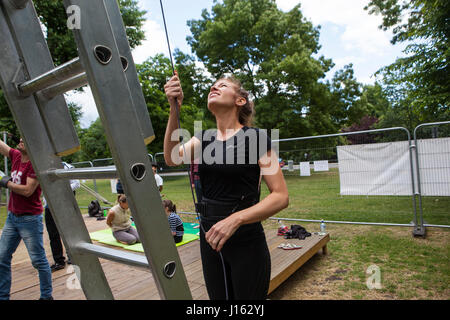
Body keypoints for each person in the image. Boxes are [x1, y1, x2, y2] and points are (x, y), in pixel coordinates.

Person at [163, 71, 289, 300]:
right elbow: (172, 157)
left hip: (245, 239)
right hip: (209, 237)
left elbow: (280, 196)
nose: (214, 87)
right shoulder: (204, 138)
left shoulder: (257, 138)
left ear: (239, 101)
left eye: (222, 85)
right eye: (213, 86)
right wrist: (174, 109)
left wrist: (236, 219)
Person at [0, 138, 53, 300]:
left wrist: (5, 182)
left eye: (25, 139)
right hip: (12, 217)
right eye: (21, 138)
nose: (21, 140)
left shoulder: (34, 164)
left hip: (29, 219)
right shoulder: (16, 155)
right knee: (2, 257)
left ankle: (46, 297)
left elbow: (28, 190)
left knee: (38, 261)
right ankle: (3, 296)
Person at [43, 162, 80, 271]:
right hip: (49, 206)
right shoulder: (42, 167)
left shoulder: (66, 167)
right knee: (53, 234)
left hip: (65, 205)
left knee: (69, 232)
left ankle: (72, 257)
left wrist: (59, 190)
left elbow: (76, 183)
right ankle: (59, 261)